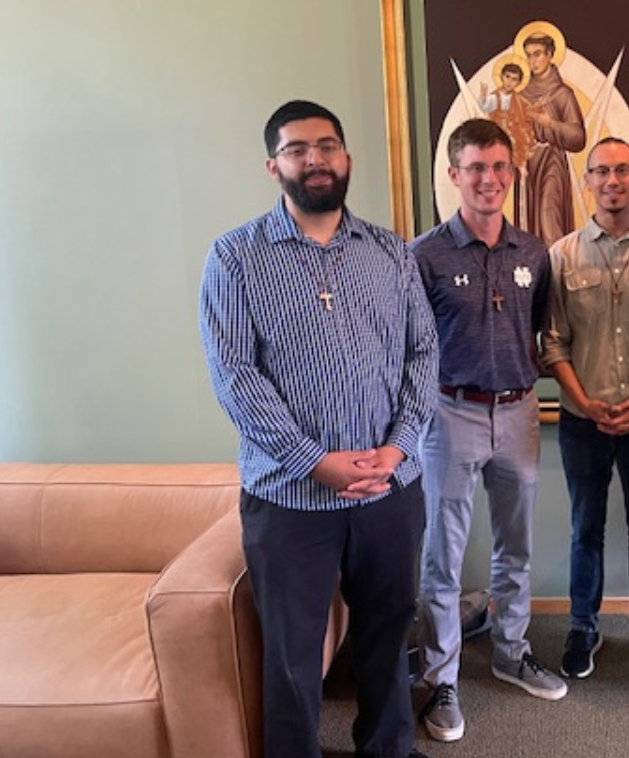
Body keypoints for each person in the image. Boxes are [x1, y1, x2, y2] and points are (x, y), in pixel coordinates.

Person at [199, 100, 438, 758]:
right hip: (290, 498)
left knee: (389, 635)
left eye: (327, 145)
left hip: (392, 489)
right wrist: (316, 461)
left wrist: (399, 447)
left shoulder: (391, 252)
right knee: (292, 653)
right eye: (298, 148)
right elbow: (235, 377)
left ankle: (388, 748)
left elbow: (424, 354)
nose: (316, 158)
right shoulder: (235, 258)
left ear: (347, 158)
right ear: (273, 165)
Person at [413, 118, 565, 745]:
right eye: (476, 167)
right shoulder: (424, 255)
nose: (489, 178)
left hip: (520, 412)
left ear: (513, 174)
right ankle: (441, 677)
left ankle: (510, 652)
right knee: (443, 556)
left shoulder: (534, 253)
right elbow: (412, 349)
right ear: (454, 175)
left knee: (516, 546)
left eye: (500, 167)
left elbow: (544, 335)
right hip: (450, 413)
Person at [540, 137, 629, 682]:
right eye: (601, 171)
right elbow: (552, 341)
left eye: (623, 169)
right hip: (582, 421)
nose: (613, 180)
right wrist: (583, 402)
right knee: (585, 528)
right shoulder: (561, 256)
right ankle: (583, 627)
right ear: (586, 182)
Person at [520, 32, 586, 247]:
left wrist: (550, 124)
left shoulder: (562, 94)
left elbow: (578, 137)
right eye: (529, 55)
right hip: (527, 163)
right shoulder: (521, 93)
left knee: (549, 218)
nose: (533, 61)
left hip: (551, 162)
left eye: (538, 54)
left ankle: (557, 273)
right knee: (528, 223)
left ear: (550, 55)